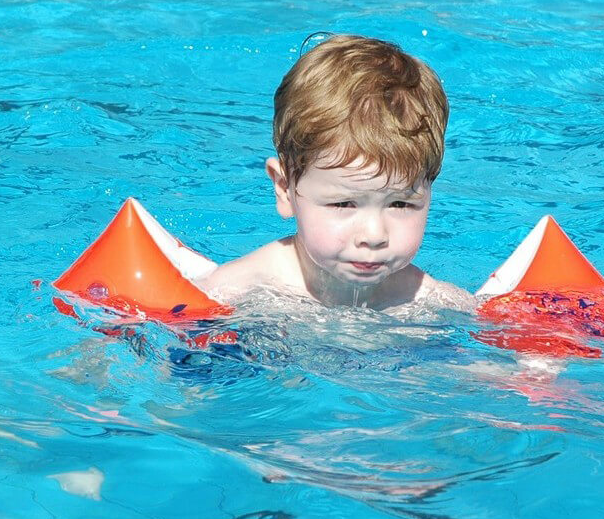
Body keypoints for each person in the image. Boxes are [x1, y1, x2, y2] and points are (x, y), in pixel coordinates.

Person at [199, 34, 475, 313]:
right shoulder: (236, 289)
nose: (374, 235)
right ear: (285, 188)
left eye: (400, 203)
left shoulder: (433, 302)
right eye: (344, 203)